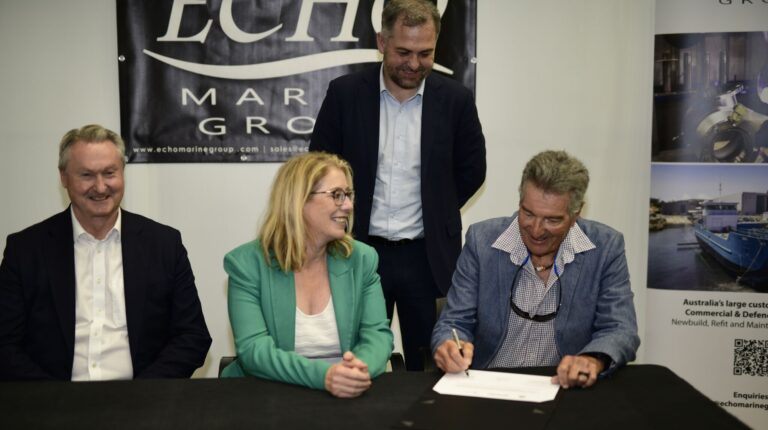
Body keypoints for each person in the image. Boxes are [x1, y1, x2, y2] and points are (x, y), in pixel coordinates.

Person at [310, 0, 486, 371]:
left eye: (425, 53)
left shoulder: (456, 100)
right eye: (403, 51)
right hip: (357, 251)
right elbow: (318, 168)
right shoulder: (345, 94)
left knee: (433, 364)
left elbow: (473, 170)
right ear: (381, 42)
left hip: (428, 258)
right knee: (358, 358)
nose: (414, 63)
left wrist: (437, 208)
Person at [0, 124, 211, 381]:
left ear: (122, 172)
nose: (100, 187)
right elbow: (5, 343)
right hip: (52, 406)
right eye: (86, 175)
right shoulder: (26, 250)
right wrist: (54, 400)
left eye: (109, 173)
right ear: (64, 177)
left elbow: (192, 336)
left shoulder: (164, 244)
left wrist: (143, 395)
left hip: (144, 402)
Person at [432, 150, 640, 389]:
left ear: (576, 214)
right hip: (489, 387)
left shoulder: (604, 248)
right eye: (528, 213)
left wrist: (592, 360)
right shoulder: (482, 241)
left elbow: (619, 328)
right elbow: (454, 321)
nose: (536, 230)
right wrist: (448, 344)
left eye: (552, 220)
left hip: (564, 390)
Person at [221, 152, 393, 398]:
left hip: (345, 394)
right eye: (336, 195)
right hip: (268, 395)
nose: (348, 205)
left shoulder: (362, 259)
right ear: (298, 201)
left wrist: (357, 370)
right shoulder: (246, 264)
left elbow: (377, 335)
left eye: (348, 195)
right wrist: (324, 377)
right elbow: (254, 351)